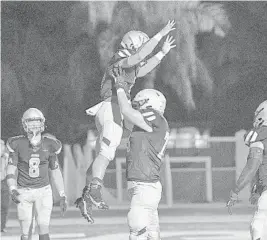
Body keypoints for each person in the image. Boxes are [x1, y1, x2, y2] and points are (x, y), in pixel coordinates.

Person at [76, 20, 176, 221]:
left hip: (116, 109)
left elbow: (144, 68)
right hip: (111, 106)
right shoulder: (120, 59)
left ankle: (86, 194)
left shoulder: (128, 66)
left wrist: (162, 53)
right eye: (141, 45)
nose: (142, 50)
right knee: (107, 151)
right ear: (132, 45)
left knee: (105, 153)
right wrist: (160, 34)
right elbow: (139, 57)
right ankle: (95, 188)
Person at [116, 67, 169, 240]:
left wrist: (120, 87)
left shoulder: (156, 119)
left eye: (139, 104)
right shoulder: (146, 126)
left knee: (137, 226)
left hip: (145, 185)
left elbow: (126, 111)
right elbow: (123, 117)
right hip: (144, 184)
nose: (136, 107)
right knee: (152, 233)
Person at [6, 108, 68, 240]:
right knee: (26, 230)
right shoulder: (18, 143)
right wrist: (12, 188)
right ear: (24, 124)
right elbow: (10, 169)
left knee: (43, 227)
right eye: (31, 121)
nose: (34, 124)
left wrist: (62, 194)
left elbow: (55, 171)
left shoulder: (50, 144)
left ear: (42, 123)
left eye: (37, 121)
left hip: (43, 191)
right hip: (24, 191)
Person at [226, 100, 267, 240]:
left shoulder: (261, 134)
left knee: (258, 227)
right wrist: (257, 188)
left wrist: (235, 191)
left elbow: (253, 166)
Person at [1, 139, 10, 232]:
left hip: (4, 182)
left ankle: (2, 226)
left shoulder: (6, 158)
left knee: (4, 205)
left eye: (2, 145)